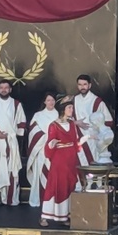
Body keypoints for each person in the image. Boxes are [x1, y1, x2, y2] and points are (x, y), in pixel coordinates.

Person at [40, 96, 83, 226]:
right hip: (59, 159)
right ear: (63, 110)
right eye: (69, 107)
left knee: (69, 185)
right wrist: (52, 143)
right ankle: (45, 215)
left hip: (71, 159)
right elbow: (50, 143)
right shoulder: (54, 125)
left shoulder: (71, 124)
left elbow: (75, 142)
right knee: (56, 185)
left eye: (72, 107)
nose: (72, 110)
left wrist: (83, 141)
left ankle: (65, 215)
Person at [0, 80, 26, 206]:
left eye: (6, 88)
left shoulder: (16, 104)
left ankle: (11, 197)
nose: (4, 90)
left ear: (10, 90)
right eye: (1, 87)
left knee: (11, 170)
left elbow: (21, 123)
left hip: (10, 141)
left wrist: (13, 136)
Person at [27, 93, 59, 208]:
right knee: (40, 175)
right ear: (44, 102)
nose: (51, 102)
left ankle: (52, 201)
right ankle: (38, 200)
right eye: (48, 100)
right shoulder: (38, 115)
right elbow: (33, 132)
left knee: (54, 177)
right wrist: (48, 138)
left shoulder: (59, 115)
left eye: (52, 100)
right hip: (41, 151)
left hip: (56, 153)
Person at [74, 75, 113, 166]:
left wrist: (98, 134)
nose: (82, 87)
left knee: (93, 166)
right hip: (78, 139)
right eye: (80, 84)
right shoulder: (74, 100)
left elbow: (108, 121)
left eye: (85, 84)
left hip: (93, 140)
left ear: (90, 85)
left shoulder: (97, 101)